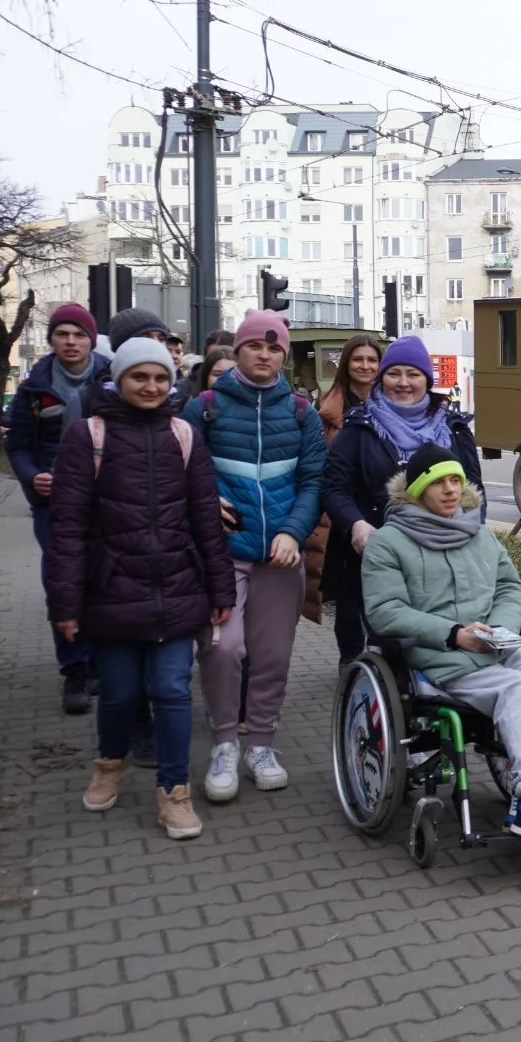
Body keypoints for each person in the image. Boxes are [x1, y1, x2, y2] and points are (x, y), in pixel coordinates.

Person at [360, 444, 521, 847]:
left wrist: (498, 630)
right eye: (438, 482)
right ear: (416, 490)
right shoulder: (388, 543)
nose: (451, 490)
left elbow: (508, 587)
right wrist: (454, 634)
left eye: (456, 480)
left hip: (492, 651)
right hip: (439, 660)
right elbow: (384, 611)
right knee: (519, 686)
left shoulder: (481, 535)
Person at [46, 337, 234, 839]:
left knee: (172, 690)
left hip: (177, 586)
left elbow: (204, 519)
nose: (151, 386)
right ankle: (110, 761)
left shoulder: (185, 434)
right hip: (110, 592)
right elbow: (67, 528)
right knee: (120, 694)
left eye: (159, 378)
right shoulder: (89, 436)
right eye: (139, 377)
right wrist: (64, 602)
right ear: (120, 380)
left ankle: (174, 792)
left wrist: (221, 591)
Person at [183, 308, 327, 801]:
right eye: (254, 346)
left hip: (280, 560)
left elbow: (313, 483)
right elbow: (180, 473)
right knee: (223, 650)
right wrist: (205, 500)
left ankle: (260, 744)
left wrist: (293, 531)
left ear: (283, 356)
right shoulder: (204, 408)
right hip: (222, 556)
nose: (264, 355)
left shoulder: (301, 414)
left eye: (273, 348)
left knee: (271, 658)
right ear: (237, 351)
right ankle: (224, 744)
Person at [322, 334, 480, 663]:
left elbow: (474, 491)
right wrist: (356, 524)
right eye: (395, 374)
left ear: (427, 379)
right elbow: (334, 488)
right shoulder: (360, 428)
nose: (403, 383)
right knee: (384, 643)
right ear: (383, 377)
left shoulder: (453, 428)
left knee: (434, 641)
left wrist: (468, 528)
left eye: (413, 374)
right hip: (375, 554)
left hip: (441, 554)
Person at [6, 302, 112, 714]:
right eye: (62, 334)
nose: (71, 342)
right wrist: (33, 476)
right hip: (53, 502)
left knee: (103, 579)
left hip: (105, 498)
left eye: (79, 334)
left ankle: (104, 662)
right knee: (63, 580)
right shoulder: (35, 386)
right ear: (51, 339)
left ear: (91, 339)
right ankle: (75, 670)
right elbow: (17, 446)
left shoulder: (110, 378)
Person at [306, 335, 383, 632]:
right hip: (342, 512)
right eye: (358, 359)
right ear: (346, 363)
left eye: (371, 360)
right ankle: (349, 660)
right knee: (348, 596)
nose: (364, 366)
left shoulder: (392, 405)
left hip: (380, 506)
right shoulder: (325, 409)